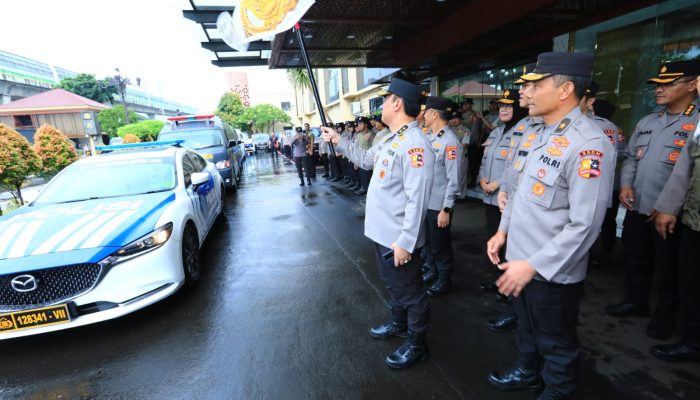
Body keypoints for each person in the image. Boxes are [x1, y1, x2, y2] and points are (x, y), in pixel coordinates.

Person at [486, 52, 614, 399]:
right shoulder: (542, 133)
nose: (528, 91)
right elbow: (521, 193)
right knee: (527, 331)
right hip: (521, 262)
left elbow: (585, 226)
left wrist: (533, 265)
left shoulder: (590, 144)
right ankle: (528, 373)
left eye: (538, 84)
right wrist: (502, 231)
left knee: (557, 347)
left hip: (551, 273)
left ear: (564, 90)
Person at [321, 77, 434, 370]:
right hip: (382, 232)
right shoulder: (389, 138)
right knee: (393, 285)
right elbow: (364, 159)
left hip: (399, 238)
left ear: (397, 103)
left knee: (411, 292)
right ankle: (398, 324)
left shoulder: (415, 144)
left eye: (384, 99)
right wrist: (338, 139)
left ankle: (417, 343)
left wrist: (406, 243)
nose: (381, 104)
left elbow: (417, 199)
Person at [605, 60, 700, 341]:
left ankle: (666, 315)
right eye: (657, 84)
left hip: (673, 214)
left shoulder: (696, 123)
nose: (659, 89)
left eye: (668, 84)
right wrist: (625, 186)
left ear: (694, 84)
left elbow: (691, 173)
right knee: (635, 257)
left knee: (669, 268)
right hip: (638, 205)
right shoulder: (647, 121)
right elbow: (631, 157)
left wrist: (671, 207)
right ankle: (636, 301)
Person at [650, 77, 700, 362]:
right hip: (693, 218)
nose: (659, 88)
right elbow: (686, 167)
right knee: (688, 279)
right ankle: (692, 339)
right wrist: (668, 206)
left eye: (669, 83)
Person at [421, 96, 462, 297]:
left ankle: (444, 278)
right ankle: (432, 270)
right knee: (428, 242)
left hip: (439, 206)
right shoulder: (428, 137)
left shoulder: (450, 142)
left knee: (440, 245)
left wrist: (446, 209)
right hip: (426, 203)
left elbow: (453, 180)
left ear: (434, 114)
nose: (423, 115)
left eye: (426, 112)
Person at [580, 83, 625, 267]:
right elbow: (620, 152)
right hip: (611, 182)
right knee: (608, 221)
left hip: (590, 181)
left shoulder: (589, 125)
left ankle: (589, 256)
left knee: (587, 221)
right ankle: (606, 252)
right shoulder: (615, 129)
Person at [449, 112, 470, 198]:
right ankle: (451, 194)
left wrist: (451, 147)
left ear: (461, 120)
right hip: (450, 155)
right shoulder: (448, 129)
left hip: (461, 156)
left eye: (456, 118)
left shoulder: (466, 130)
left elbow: (465, 143)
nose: (454, 120)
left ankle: (461, 196)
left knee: (461, 176)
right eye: (453, 118)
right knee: (451, 175)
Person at [355, 116, 374, 195]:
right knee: (362, 176)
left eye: (360, 124)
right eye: (358, 124)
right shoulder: (358, 135)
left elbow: (374, 148)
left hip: (368, 161)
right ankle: (363, 188)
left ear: (366, 124)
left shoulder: (371, 134)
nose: (358, 125)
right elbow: (356, 148)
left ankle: (368, 194)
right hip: (360, 159)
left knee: (368, 178)